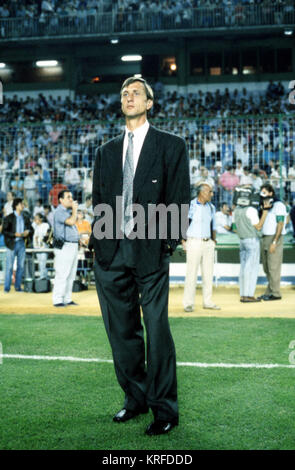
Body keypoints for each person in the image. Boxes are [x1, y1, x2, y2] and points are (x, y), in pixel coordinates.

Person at [91, 77, 190, 436]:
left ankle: (164, 409)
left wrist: (165, 243)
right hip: (111, 251)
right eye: (124, 94)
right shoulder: (105, 151)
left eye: (136, 93)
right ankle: (135, 399)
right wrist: (101, 247)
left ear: (149, 103)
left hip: (150, 250)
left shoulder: (171, 145)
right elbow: (99, 201)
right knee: (121, 332)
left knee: (157, 329)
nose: (128, 97)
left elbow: (179, 196)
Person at [182, 182, 220, 312]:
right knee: (191, 273)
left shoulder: (211, 207)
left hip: (208, 242)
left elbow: (213, 225)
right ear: (202, 192)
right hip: (194, 242)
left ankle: (207, 301)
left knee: (208, 274)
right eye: (209, 192)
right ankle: (188, 303)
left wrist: (213, 241)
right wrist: (183, 241)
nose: (211, 194)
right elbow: (184, 223)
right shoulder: (191, 206)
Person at [233, 196, 270, 303]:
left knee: (243, 268)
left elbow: (234, 228)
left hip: (242, 240)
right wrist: (265, 212)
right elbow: (258, 227)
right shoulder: (251, 210)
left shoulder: (236, 210)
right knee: (251, 268)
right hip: (252, 240)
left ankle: (243, 294)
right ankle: (248, 295)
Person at [258, 183, 287, 301]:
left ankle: (276, 293)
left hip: (275, 237)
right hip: (264, 237)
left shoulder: (279, 205)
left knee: (273, 267)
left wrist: (274, 241)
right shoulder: (264, 206)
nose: (262, 194)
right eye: (261, 192)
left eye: (264, 192)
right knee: (266, 267)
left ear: (271, 193)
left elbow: (280, 224)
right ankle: (269, 291)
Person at [52, 190, 79, 307]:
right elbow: (72, 221)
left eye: (71, 197)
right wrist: (75, 209)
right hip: (64, 246)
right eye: (68, 197)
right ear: (61, 200)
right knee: (62, 273)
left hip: (72, 245)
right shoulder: (59, 211)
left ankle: (67, 298)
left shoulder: (67, 211)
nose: (71, 199)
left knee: (71, 274)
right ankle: (58, 299)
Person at [2, 198, 33, 293]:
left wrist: (28, 232)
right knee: (9, 266)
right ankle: (7, 288)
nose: (23, 206)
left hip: (21, 243)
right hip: (12, 243)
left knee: (21, 266)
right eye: (21, 204)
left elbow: (31, 229)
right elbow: (4, 231)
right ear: (16, 206)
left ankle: (18, 287)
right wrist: (14, 234)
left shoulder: (25, 217)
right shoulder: (9, 218)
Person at [33, 212, 50, 280]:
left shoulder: (45, 225)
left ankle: (42, 277)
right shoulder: (35, 226)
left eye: (37, 219)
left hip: (43, 247)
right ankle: (45, 277)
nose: (35, 220)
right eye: (35, 219)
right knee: (40, 263)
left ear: (41, 219)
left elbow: (46, 235)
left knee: (43, 262)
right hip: (37, 247)